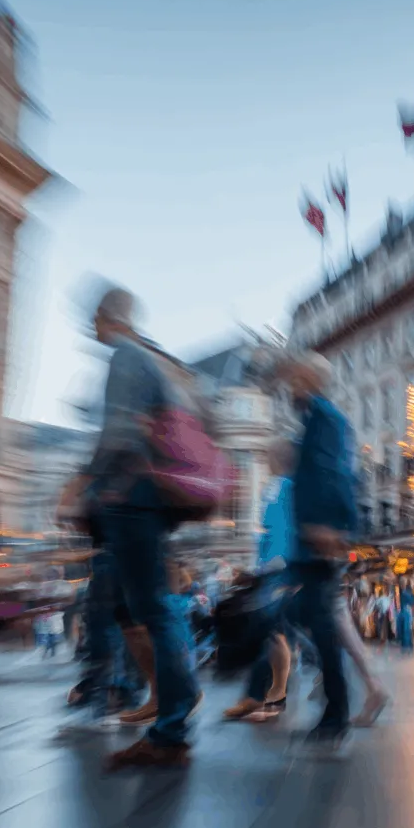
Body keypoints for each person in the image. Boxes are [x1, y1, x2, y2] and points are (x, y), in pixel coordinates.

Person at [81, 285, 202, 771]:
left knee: (152, 608)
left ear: (104, 315)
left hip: (132, 498)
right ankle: (172, 710)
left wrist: (89, 485)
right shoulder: (147, 360)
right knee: (140, 606)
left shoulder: (127, 358)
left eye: (92, 316)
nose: (90, 325)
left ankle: (172, 725)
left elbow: (120, 432)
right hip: (144, 500)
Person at [281, 352, 361, 752]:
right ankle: (336, 711)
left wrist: (330, 527)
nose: (289, 386)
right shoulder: (315, 419)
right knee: (310, 618)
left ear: (310, 378)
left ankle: (337, 714)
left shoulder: (325, 418)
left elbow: (334, 474)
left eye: (295, 377)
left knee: (318, 622)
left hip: (319, 538)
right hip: (310, 539)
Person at [225, 438, 296, 723]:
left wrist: (267, 567)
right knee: (278, 634)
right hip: (276, 569)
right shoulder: (279, 487)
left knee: (267, 631)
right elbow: (266, 533)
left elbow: (277, 531)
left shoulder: (282, 488)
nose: (265, 462)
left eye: (269, 456)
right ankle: (274, 695)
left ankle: (255, 694)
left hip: (279, 570)